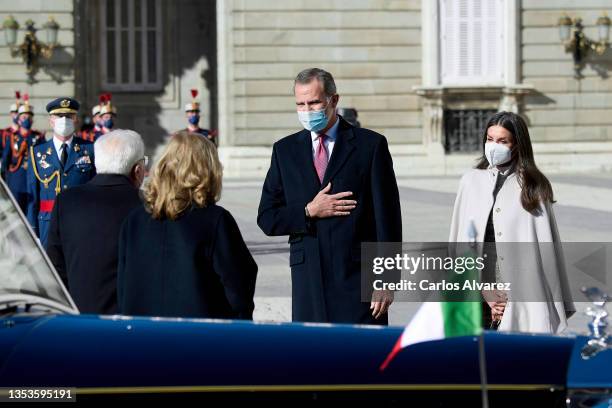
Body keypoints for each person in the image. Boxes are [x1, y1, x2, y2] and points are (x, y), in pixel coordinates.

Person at [257, 68, 401, 325]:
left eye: (313, 102)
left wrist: (386, 280)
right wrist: (307, 211)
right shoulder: (285, 151)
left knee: (362, 359)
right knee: (314, 359)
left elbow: (387, 220)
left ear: (333, 100)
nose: (307, 110)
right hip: (308, 280)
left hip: (356, 279)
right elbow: (267, 218)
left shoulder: (370, 146)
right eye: (300, 104)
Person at [449, 111, 574, 333]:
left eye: (502, 141)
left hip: (520, 296)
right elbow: (460, 247)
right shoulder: (470, 182)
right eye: (490, 139)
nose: (493, 146)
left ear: (517, 145)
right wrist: (485, 291)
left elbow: (545, 251)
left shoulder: (533, 186)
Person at [117, 131, 257, 319]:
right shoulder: (216, 220)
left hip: (143, 333)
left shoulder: (134, 220)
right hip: (198, 336)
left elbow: (123, 286)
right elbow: (238, 285)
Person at [46, 129, 145, 314]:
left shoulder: (66, 201)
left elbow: (54, 266)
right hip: (131, 323)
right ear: (138, 170)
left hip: (78, 319)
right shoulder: (146, 205)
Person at [26, 97, 96, 247]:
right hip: (47, 223)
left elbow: (96, 191)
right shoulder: (37, 153)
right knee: (51, 268)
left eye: (69, 116)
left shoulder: (90, 149)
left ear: (76, 119)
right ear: (51, 120)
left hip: (81, 222)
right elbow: (32, 196)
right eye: (59, 116)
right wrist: (32, 230)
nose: (64, 120)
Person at [1, 95, 44, 212]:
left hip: (33, 180)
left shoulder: (38, 137)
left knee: (32, 210)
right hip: (16, 180)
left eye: (29, 117)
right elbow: (6, 159)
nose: (26, 120)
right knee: (17, 211)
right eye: (24, 117)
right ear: (19, 119)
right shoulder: (12, 137)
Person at [1, 92, 21, 160]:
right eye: (15, 112)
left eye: (20, 113)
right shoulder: (3, 133)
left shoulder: (27, 133)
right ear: (11, 114)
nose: (17, 115)